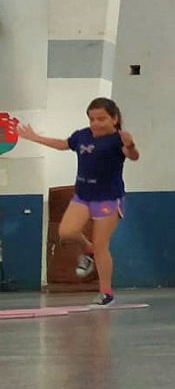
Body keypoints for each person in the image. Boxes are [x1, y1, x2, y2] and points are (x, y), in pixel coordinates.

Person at [17, 98, 139, 307]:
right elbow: (63, 144)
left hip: (108, 198)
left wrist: (130, 144)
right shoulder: (82, 136)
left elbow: (133, 156)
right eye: (92, 119)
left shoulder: (118, 140)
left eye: (102, 118)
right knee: (66, 232)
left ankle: (106, 293)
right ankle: (87, 250)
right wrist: (35, 137)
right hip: (83, 195)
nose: (96, 123)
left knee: (102, 245)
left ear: (114, 118)